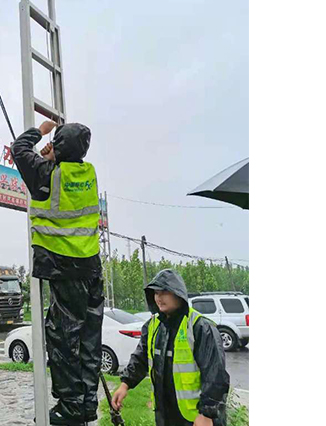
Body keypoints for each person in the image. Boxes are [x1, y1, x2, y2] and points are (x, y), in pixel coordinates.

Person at [12, 120, 103, 426]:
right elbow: (58, 169)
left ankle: (70, 406)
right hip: (92, 267)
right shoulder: (88, 174)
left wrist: (40, 130)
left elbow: (19, 149)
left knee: (64, 340)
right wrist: (54, 155)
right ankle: (87, 404)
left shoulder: (48, 176)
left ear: (59, 146)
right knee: (89, 342)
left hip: (65, 268)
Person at [112, 269, 230, 426]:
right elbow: (140, 359)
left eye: (164, 292)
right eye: (155, 293)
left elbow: (216, 374)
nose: (158, 298)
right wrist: (125, 384)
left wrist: (206, 414)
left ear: (178, 293)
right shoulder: (153, 326)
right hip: (165, 415)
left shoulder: (199, 327)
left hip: (196, 419)